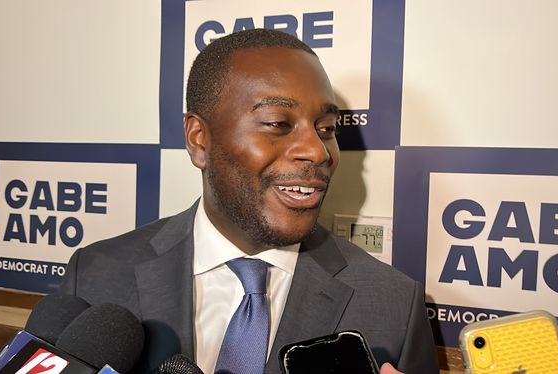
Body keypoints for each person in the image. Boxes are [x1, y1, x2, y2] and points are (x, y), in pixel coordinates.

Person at [59, 28, 439, 373]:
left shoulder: (393, 305)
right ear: (198, 139)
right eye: (277, 123)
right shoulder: (97, 275)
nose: (317, 151)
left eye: (325, 129)